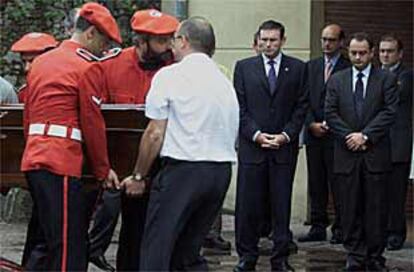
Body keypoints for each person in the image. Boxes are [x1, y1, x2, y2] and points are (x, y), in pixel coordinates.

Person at [120, 16, 239, 271]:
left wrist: (139, 175)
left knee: (157, 249)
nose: (171, 47)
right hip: (220, 172)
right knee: (188, 252)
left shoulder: (170, 76)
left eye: (173, 40)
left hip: (184, 171)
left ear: (183, 41)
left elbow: (154, 133)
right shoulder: (224, 81)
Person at [20, 3, 121, 271]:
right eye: (104, 40)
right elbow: (92, 123)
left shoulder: (41, 61)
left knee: (44, 238)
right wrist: (102, 170)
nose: (104, 47)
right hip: (61, 161)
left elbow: (28, 115)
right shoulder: (87, 66)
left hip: (35, 158)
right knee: (69, 244)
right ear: (90, 34)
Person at [81, 9, 179, 271]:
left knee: (149, 234)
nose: (168, 45)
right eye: (161, 40)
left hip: (160, 164)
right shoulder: (109, 66)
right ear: (141, 41)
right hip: (116, 166)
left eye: (170, 38)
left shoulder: (175, 69)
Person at [233, 20, 308, 272]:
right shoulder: (244, 67)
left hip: (283, 150)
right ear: (258, 40)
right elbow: (239, 107)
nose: (268, 44)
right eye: (263, 40)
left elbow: (301, 106)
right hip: (252, 148)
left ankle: (280, 258)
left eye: (273, 40)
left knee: (281, 206)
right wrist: (255, 134)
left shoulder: (297, 68)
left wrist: (286, 135)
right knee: (248, 206)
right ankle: (247, 256)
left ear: (283, 41)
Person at [325, 32, 398, 271]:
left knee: (376, 209)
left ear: (372, 53)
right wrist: (350, 136)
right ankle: (355, 255)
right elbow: (330, 113)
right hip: (346, 155)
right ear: (348, 52)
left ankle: (375, 257)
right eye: (353, 53)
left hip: (375, 155)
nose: (357, 57)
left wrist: (365, 136)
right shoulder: (337, 80)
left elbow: (389, 111)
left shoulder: (385, 79)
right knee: (348, 207)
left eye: (362, 53)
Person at [300, 24, 350, 244]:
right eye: (323, 39)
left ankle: (340, 227)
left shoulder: (348, 68)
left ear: (341, 42)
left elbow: (349, 103)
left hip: (338, 137)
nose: (326, 44)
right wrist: (311, 123)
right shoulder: (311, 67)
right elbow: (303, 99)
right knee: (316, 182)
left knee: (338, 183)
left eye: (331, 40)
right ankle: (318, 225)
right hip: (314, 135)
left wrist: (332, 124)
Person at [379, 34, 413, 251]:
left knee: (395, 193)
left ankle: (395, 233)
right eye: (382, 51)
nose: (385, 55)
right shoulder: (371, 74)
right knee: (376, 193)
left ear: (400, 54)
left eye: (390, 51)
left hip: (398, 143)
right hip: (376, 143)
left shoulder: (407, 76)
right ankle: (378, 232)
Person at [10, 32, 58, 102]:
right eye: (24, 62)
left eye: (32, 61)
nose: (27, 68)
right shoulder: (23, 94)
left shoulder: (68, 89)